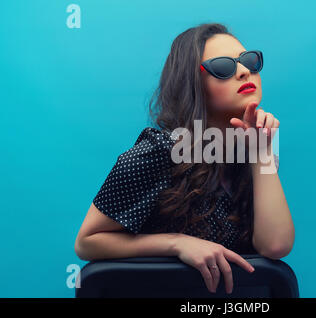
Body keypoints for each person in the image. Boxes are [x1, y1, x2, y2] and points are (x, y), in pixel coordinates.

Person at [74, 23, 294, 295]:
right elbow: (87, 242)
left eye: (250, 61)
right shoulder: (156, 153)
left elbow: (275, 246)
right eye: (224, 67)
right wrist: (177, 243)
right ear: (193, 83)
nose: (244, 71)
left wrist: (262, 153)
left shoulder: (253, 153)